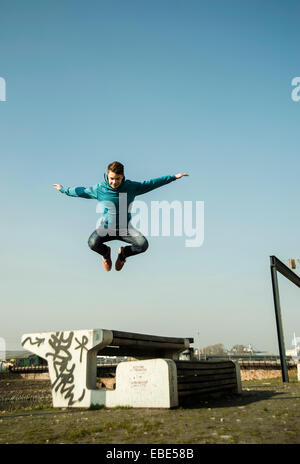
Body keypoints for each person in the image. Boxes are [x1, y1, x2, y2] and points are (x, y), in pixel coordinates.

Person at [53, 161, 188, 271]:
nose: (114, 182)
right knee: (92, 243)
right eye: (112, 179)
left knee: (143, 245)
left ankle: (123, 254)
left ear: (123, 176)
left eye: (117, 179)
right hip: (106, 228)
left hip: (125, 229)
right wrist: (63, 190)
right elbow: (81, 191)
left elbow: (152, 183)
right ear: (107, 175)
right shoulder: (100, 189)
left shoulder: (131, 187)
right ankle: (106, 253)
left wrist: (173, 177)